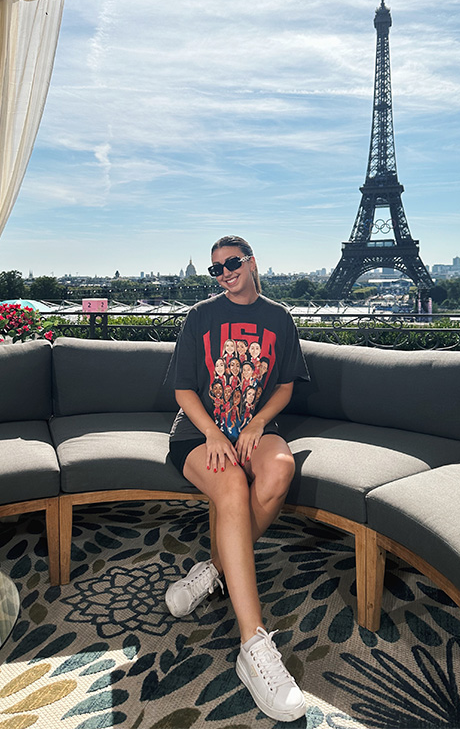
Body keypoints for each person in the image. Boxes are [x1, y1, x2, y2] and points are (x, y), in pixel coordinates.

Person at [163, 235, 310, 722]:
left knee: (279, 470)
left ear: (251, 262)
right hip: (198, 433)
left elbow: (285, 386)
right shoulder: (199, 317)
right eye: (216, 269)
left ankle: (214, 569)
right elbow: (184, 388)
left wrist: (254, 423)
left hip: (251, 430)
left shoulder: (280, 318)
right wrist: (212, 433)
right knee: (231, 485)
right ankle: (253, 643)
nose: (224, 273)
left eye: (231, 264)